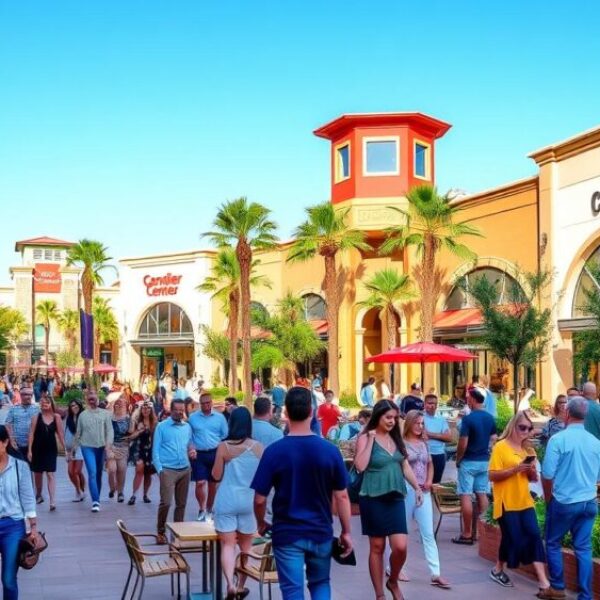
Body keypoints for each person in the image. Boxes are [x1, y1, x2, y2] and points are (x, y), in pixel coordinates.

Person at [251, 386, 353, 600]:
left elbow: (260, 499)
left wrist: (261, 522)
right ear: (313, 412)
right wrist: (345, 531)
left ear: (285, 413)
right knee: (321, 583)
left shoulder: (274, 451)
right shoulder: (330, 451)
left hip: (287, 532)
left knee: (292, 590)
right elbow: (341, 496)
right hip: (320, 530)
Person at [354, 400, 423, 600]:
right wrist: (370, 440)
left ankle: (392, 580)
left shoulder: (396, 438)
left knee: (401, 546)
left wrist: (417, 487)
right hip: (372, 497)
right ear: (378, 416)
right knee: (377, 547)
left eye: (395, 417)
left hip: (395, 497)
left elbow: (404, 466)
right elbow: (360, 466)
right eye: (388, 417)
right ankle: (379, 594)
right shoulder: (365, 437)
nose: (392, 421)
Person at [542, 396, 600, 600]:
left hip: (566, 501)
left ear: (567, 413)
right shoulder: (595, 442)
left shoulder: (558, 439)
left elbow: (547, 474)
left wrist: (549, 499)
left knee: (553, 542)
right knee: (584, 548)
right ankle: (586, 595)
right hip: (589, 501)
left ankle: (557, 587)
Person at [488, 411, 550, 593]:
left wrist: (530, 470)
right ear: (513, 426)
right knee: (512, 538)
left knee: (534, 536)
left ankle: (543, 581)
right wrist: (515, 469)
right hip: (506, 501)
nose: (525, 431)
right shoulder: (501, 447)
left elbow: (532, 479)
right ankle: (498, 569)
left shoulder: (528, 450)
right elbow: (492, 475)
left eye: (529, 428)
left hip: (525, 501)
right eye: (522, 427)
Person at [212, 407, 264, 600]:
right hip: (248, 501)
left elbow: (216, 476)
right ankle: (241, 585)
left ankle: (230, 584)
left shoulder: (224, 447)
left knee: (227, 545)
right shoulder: (259, 448)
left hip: (226, 499)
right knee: (245, 548)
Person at [402, 410, 450, 588]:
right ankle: (395, 568)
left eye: (422, 423)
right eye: (417, 423)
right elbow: (402, 468)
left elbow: (429, 464)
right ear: (409, 423)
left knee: (428, 533)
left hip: (424, 490)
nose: (420, 426)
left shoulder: (424, 443)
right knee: (402, 531)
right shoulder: (401, 444)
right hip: (407, 490)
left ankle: (435, 573)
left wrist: (429, 481)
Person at [453, 387, 497, 544]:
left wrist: (458, 459)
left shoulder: (468, 419)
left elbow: (463, 442)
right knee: (482, 494)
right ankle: (479, 532)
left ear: (472, 399)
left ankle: (466, 533)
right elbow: (494, 439)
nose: (467, 401)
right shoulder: (489, 418)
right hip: (484, 461)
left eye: (468, 398)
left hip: (469, 461)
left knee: (465, 494)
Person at [0, 425, 39, 600]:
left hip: (13, 527)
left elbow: (28, 499)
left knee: (8, 579)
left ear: (5, 442)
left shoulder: (19, 467)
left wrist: (33, 528)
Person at [152, 398, 195, 545]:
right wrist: (160, 470)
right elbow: (155, 450)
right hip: (168, 470)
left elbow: (189, 443)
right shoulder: (161, 427)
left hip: (184, 469)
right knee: (166, 502)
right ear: (170, 409)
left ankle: (178, 533)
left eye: (181, 410)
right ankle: (160, 531)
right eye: (176, 409)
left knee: (181, 504)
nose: (179, 412)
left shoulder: (187, 427)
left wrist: (192, 450)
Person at [188, 391, 228, 522]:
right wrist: (191, 447)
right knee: (200, 483)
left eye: (208, 402)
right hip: (199, 454)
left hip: (215, 453)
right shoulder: (193, 418)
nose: (206, 405)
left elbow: (224, 435)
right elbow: (189, 436)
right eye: (203, 403)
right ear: (200, 404)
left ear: (211, 402)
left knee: (213, 484)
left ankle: (210, 509)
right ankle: (201, 508)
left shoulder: (219, 417)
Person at [72, 389, 113, 513]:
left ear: (97, 398)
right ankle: (95, 501)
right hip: (87, 446)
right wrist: (73, 448)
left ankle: (97, 498)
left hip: (101, 447)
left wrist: (108, 445)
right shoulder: (83, 415)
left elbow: (110, 430)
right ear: (86, 400)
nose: (91, 398)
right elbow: (78, 433)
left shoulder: (105, 414)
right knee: (92, 472)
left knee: (99, 473)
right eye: (89, 396)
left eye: (93, 395)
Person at [27, 395, 65, 511]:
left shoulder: (56, 417)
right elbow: (31, 434)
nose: (44, 405)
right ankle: (39, 493)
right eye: (42, 403)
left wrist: (66, 450)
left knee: (50, 474)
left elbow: (60, 434)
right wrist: (29, 450)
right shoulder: (36, 417)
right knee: (38, 473)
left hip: (50, 449)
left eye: (47, 403)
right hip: (37, 449)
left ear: (51, 404)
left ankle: (52, 501)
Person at [128, 401, 157, 505]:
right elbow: (130, 436)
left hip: (151, 449)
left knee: (148, 473)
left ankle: (145, 494)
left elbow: (157, 437)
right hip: (139, 449)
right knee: (139, 470)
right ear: (141, 410)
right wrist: (139, 430)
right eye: (144, 408)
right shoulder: (136, 421)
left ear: (151, 410)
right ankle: (134, 495)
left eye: (148, 408)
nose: (146, 410)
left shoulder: (155, 422)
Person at [422, 394, 452, 484]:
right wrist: (440, 436)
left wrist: (429, 434)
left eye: (435, 404)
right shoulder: (420, 418)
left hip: (439, 455)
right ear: (424, 404)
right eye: (430, 403)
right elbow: (420, 435)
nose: (432, 406)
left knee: (436, 484)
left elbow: (448, 438)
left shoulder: (441, 419)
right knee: (423, 483)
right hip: (424, 454)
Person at [107, 395, 131, 503]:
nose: (119, 405)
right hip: (111, 446)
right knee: (112, 470)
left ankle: (120, 492)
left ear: (126, 405)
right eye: (117, 403)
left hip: (123, 447)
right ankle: (112, 488)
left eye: (122, 403)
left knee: (121, 470)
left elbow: (132, 432)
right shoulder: (109, 418)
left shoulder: (129, 419)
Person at [4, 387, 39, 462]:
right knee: (18, 467)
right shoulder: (14, 409)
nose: (29, 396)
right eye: (26, 394)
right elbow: (7, 423)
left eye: (31, 394)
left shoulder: (37, 409)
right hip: (17, 444)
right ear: (21, 395)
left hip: (33, 444)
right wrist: (12, 440)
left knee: (31, 468)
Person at [64, 398, 86, 502]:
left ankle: (81, 490)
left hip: (81, 447)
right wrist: (67, 449)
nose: (74, 407)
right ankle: (79, 491)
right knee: (70, 471)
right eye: (72, 406)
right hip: (70, 448)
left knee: (77, 471)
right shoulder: (69, 419)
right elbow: (66, 434)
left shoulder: (83, 417)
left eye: (76, 405)